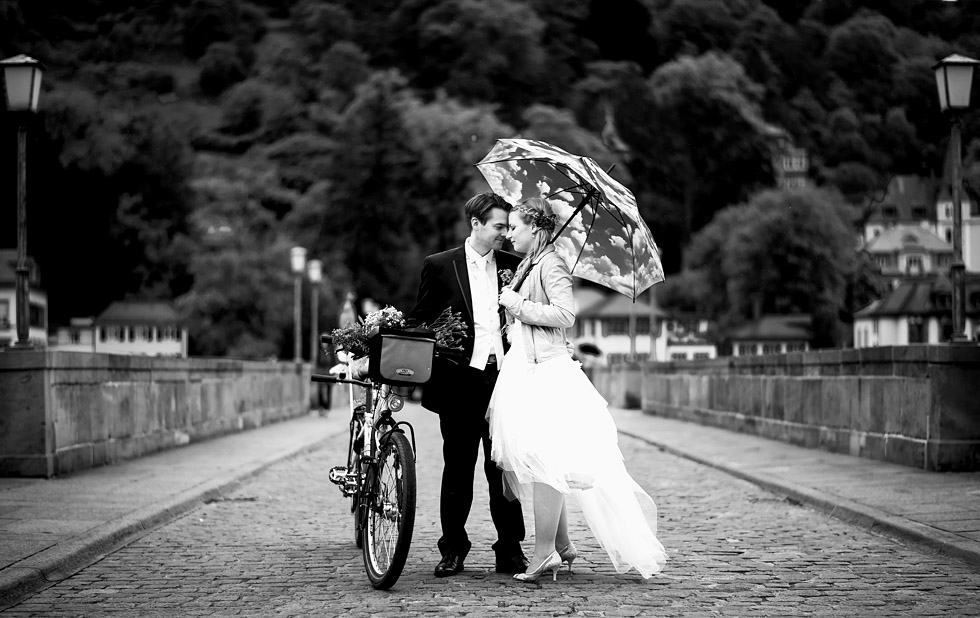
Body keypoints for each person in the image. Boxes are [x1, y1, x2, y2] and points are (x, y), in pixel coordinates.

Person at [489, 197, 668, 583]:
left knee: (541, 460)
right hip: (524, 367)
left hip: (543, 374)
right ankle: (563, 545)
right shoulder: (529, 262)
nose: (510, 234)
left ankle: (543, 553)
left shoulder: (551, 262)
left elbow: (565, 314)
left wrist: (517, 304)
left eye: (515, 227)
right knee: (541, 461)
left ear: (535, 229)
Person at [409, 191, 527, 577]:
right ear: (475, 223)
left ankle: (510, 548)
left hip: (504, 381)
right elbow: (421, 320)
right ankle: (453, 549)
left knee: (505, 470)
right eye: (498, 226)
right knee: (457, 469)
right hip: (459, 383)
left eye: (509, 227)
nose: (505, 234)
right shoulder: (440, 265)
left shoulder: (516, 264)